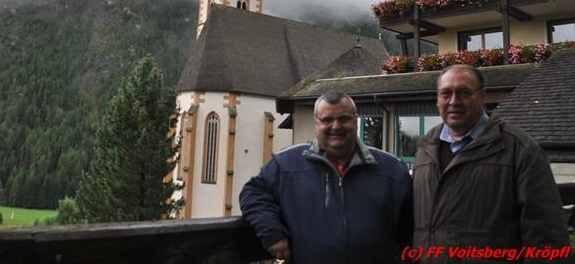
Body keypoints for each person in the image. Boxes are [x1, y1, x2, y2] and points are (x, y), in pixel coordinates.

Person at [413, 64, 569, 262]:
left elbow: (547, 235)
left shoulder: (519, 149)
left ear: (482, 96)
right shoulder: (425, 148)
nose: (453, 101)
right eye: (446, 93)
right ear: (438, 98)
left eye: (463, 93)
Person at [239, 91, 412, 263]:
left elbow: (411, 230)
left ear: (355, 121)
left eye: (343, 118)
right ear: (316, 124)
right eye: (327, 120)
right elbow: (252, 193)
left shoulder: (392, 170)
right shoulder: (286, 164)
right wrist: (271, 232)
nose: (336, 126)